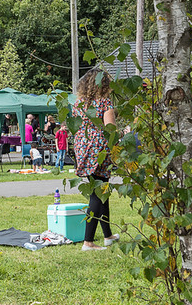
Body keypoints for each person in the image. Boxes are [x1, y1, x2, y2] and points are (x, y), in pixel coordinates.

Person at [73, 69, 119, 251]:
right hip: (99, 149)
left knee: (102, 191)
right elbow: (110, 128)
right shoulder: (105, 102)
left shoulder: (78, 103)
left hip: (83, 148)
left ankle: (107, 235)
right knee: (97, 192)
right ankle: (88, 241)